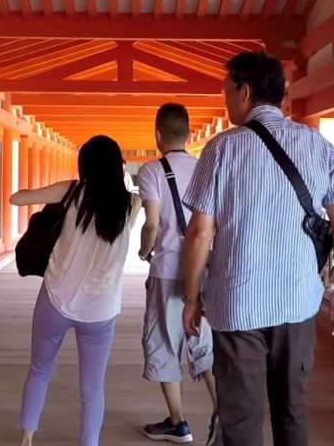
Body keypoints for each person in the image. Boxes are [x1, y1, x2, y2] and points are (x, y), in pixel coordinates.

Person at [181, 51, 334, 446]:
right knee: (292, 407)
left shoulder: (222, 149)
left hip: (237, 301)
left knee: (241, 417)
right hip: (297, 300)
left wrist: (191, 297)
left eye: (227, 90)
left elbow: (199, 234)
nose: (225, 99)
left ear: (244, 91)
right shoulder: (318, 145)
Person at [10, 135, 142, 446]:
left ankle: (27, 439)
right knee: (93, 388)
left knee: (40, 370)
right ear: (117, 166)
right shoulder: (131, 204)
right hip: (100, 310)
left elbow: (17, 198)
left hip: (55, 299)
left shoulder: (71, 192)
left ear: (84, 165)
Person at [136, 103, 219, 444]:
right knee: (204, 342)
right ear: (187, 134)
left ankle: (178, 423)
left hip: (167, 269)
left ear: (158, 134)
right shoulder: (205, 169)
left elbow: (152, 224)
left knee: (164, 343)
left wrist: (144, 249)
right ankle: (225, 413)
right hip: (204, 269)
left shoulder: (151, 170)